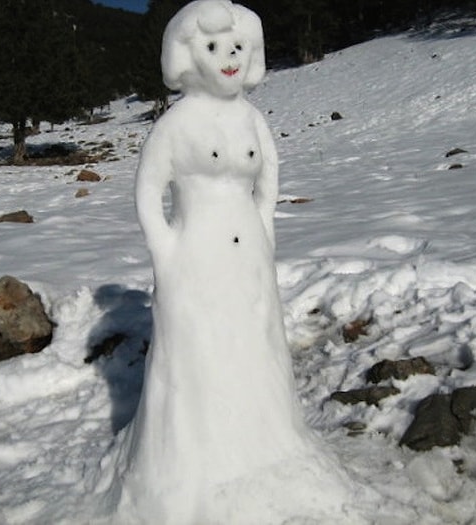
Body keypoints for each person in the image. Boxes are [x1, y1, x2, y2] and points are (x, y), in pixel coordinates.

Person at [104, 2, 371, 523]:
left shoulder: (252, 119)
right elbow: (147, 191)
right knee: (199, 352)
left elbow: (268, 180)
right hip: (195, 257)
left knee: (254, 342)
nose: (227, 58)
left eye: (237, 48)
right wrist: (166, 249)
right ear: (187, 55)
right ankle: (193, 472)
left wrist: (263, 227)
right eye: (212, 47)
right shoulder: (176, 123)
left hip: (248, 254)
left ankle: (268, 449)